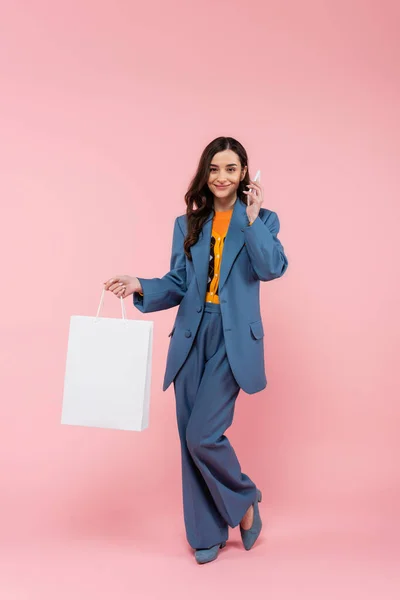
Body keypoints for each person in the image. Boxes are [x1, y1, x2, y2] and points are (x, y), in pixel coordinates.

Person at [104, 136, 288, 564]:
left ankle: (244, 500)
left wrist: (252, 219)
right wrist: (140, 286)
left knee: (202, 435)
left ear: (244, 173)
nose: (221, 177)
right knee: (188, 439)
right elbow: (180, 283)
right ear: (205, 174)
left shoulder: (263, 220)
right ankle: (204, 533)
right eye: (214, 168)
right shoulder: (187, 223)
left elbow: (272, 267)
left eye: (231, 168)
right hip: (191, 334)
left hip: (233, 339)